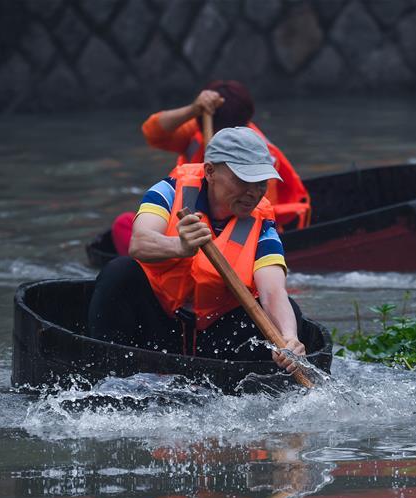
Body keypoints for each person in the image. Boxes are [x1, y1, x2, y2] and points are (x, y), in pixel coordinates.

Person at [88, 127, 305, 373]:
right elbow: (139, 244)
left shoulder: (263, 224)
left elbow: (273, 291)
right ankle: (107, 373)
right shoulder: (167, 191)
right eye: (244, 180)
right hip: (158, 324)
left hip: (215, 338)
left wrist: (289, 339)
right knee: (119, 271)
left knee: (292, 315)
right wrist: (179, 246)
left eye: (261, 183)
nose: (254, 192)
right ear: (210, 171)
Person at [111, 81, 311, 254]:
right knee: (125, 224)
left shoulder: (259, 155)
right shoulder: (194, 133)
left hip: (232, 228)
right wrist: (193, 109)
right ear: (209, 171)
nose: (221, 138)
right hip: (187, 221)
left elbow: (257, 210)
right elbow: (153, 132)